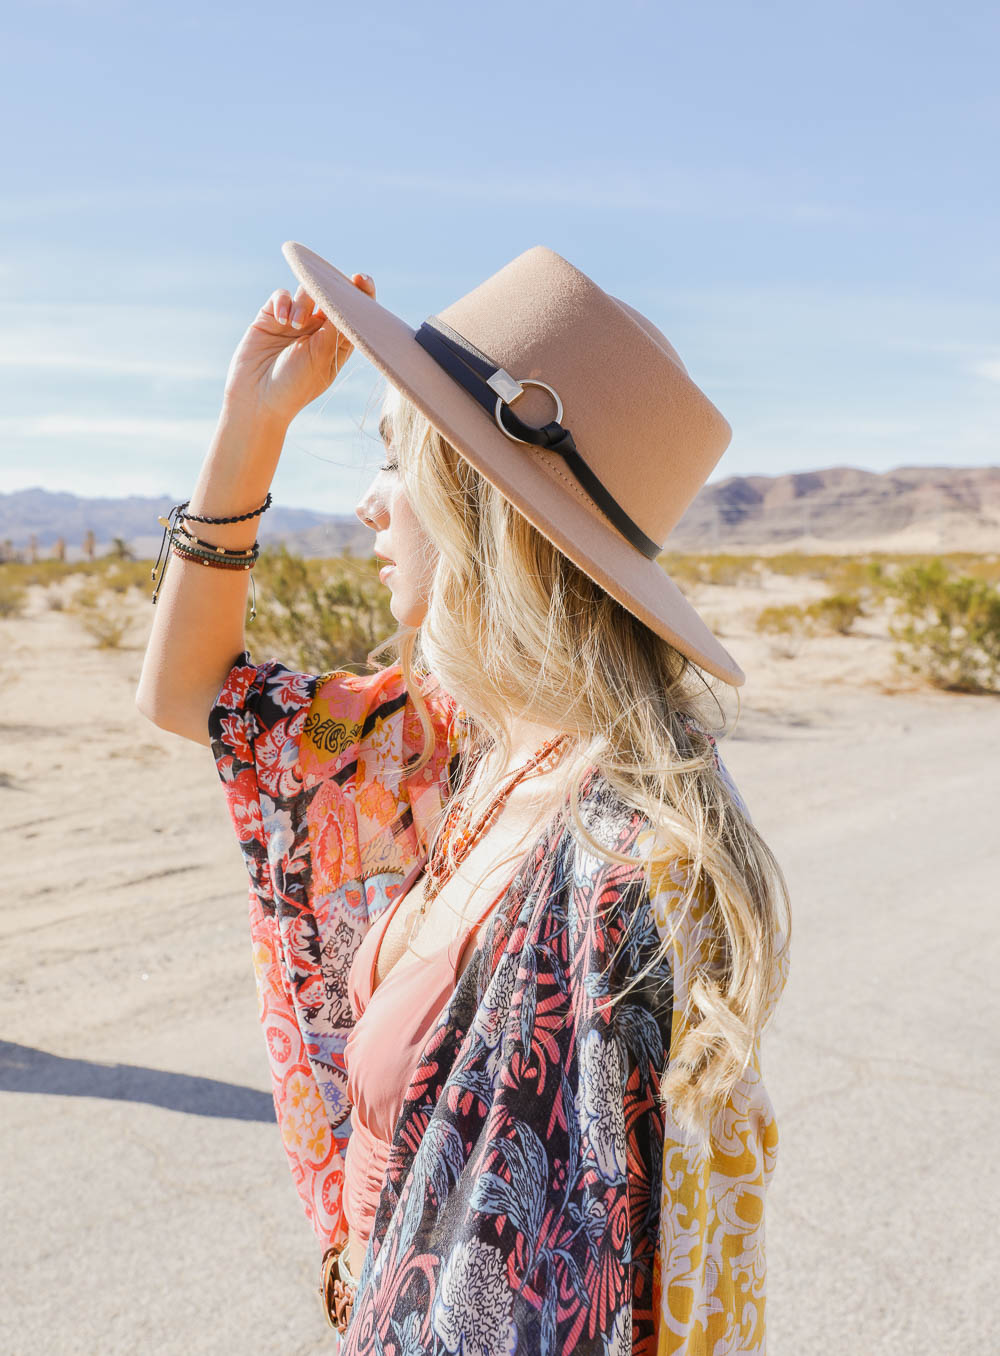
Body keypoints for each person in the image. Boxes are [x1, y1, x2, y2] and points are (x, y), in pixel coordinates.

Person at [136, 241, 790, 1355]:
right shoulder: (470, 738)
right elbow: (197, 694)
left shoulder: (626, 863)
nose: (365, 507)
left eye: (398, 462)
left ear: (484, 506)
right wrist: (252, 425)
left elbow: (584, 1284)